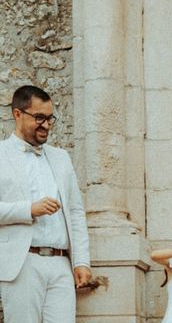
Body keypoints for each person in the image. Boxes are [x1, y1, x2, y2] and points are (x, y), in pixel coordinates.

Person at [0, 85, 91, 323]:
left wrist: (81, 262)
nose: (47, 125)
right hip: (23, 262)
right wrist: (28, 209)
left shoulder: (61, 157)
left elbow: (75, 212)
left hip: (61, 263)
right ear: (17, 114)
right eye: (39, 118)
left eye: (50, 118)